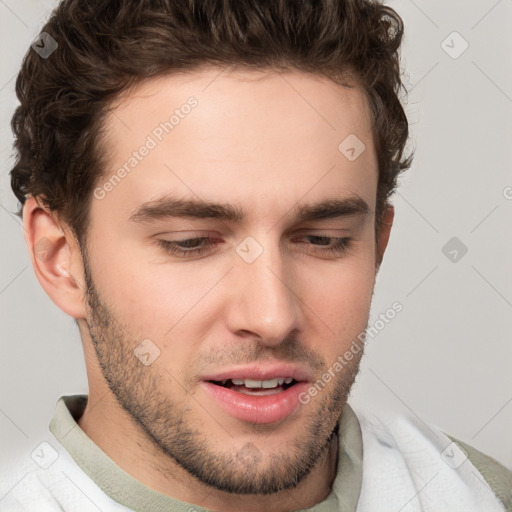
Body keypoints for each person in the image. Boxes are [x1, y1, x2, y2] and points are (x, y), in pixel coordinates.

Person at [1, 0, 510, 510]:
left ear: (377, 245)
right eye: (190, 242)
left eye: (323, 239)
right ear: (60, 258)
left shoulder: (480, 496)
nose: (272, 317)